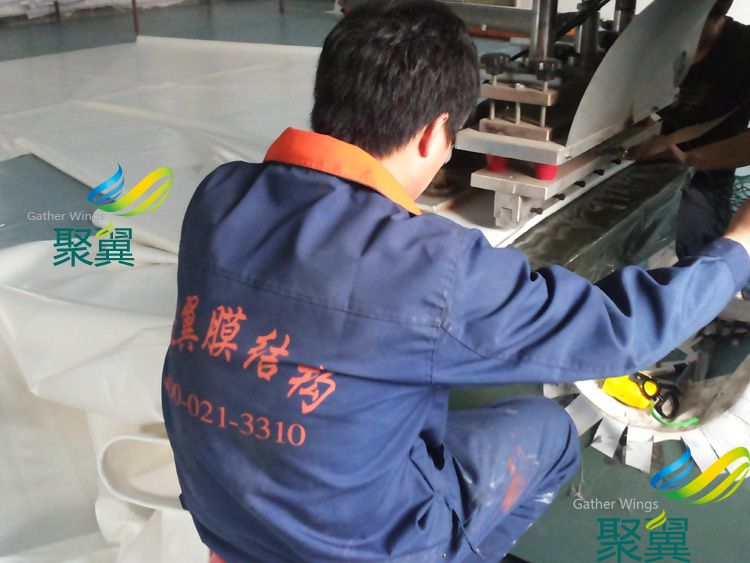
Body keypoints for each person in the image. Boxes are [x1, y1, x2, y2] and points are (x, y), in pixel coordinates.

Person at [162, 1, 750, 561]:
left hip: (223, 515)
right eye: (452, 143)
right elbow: (621, 332)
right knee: (549, 431)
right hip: (356, 549)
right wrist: (737, 248)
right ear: (433, 134)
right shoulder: (426, 268)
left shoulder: (218, 195)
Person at [633, 0, 750, 259]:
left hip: (701, 187)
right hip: (625, 172)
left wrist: (687, 158)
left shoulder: (743, 49)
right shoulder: (642, 38)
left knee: (677, 226)